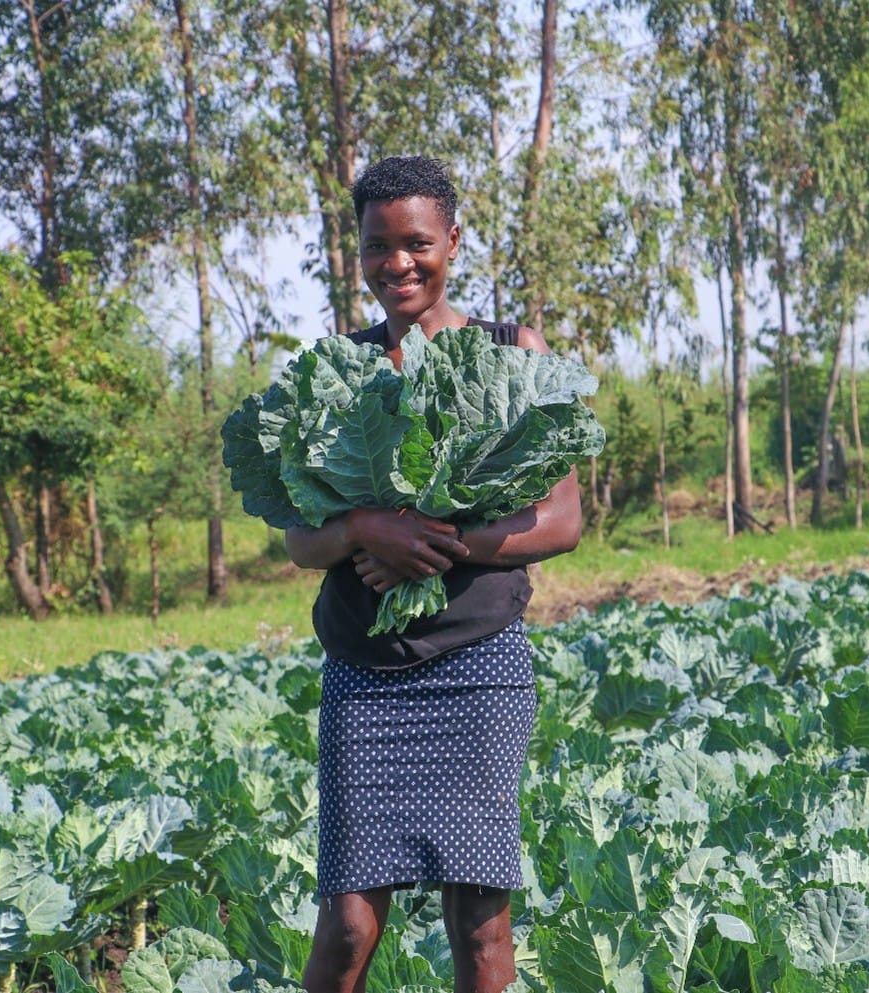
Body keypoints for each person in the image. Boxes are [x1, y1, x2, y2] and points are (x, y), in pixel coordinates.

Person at [282, 155, 583, 993]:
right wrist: (363, 526)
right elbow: (299, 543)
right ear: (360, 253)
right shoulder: (332, 371)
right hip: (364, 673)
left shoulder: (514, 351)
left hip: (479, 666)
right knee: (345, 926)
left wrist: (434, 539)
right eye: (378, 246)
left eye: (416, 243)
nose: (398, 263)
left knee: (480, 923)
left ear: (453, 240)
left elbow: (560, 521)